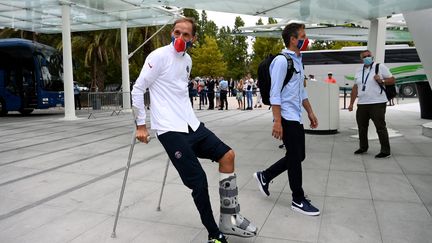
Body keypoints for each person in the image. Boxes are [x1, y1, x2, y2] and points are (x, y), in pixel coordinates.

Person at [131, 17, 257, 243]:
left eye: (186, 35)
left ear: (193, 39)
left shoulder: (187, 60)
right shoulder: (158, 56)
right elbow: (138, 88)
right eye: (177, 32)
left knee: (228, 155)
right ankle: (214, 234)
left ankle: (229, 219)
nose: (180, 38)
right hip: (170, 129)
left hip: (192, 124)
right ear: (171, 33)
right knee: (198, 181)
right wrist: (141, 124)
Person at [253, 23, 320, 216]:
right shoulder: (282, 61)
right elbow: (275, 94)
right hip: (285, 116)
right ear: (292, 39)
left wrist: (310, 112)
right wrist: (277, 121)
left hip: (296, 116)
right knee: (295, 158)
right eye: (303, 36)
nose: (306, 39)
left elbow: (301, 90)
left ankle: (264, 176)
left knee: (298, 156)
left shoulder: (298, 60)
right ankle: (297, 199)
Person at [348, 50, 395, 158]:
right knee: (362, 127)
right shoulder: (359, 70)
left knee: (380, 127)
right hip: (362, 104)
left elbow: (392, 80)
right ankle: (363, 147)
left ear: (372, 57)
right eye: (364, 57)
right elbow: (355, 87)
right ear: (361, 59)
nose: (367, 58)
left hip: (377, 103)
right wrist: (351, 103)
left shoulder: (380, 67)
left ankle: (385, 151)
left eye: (369, 56)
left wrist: (382, 81)